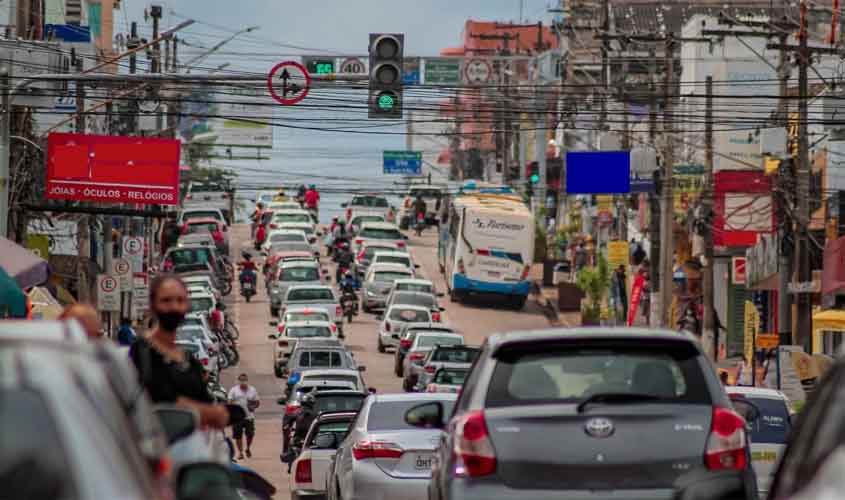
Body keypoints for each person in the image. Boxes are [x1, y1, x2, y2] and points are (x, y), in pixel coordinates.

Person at [129, 275, 229, 429]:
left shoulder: (189, 361)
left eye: (180, 300)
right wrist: (209, 413)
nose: (174, 307)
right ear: (153, 304)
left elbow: (206, 400)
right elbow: (160, 399)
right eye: (166, 300)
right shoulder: (142, 351)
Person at [228, 373, 260, 460]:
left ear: (247, 381)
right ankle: (240, 452)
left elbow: (257, 402)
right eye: (241, 380)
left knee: (250, 434)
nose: (243, 382)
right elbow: (230, 401)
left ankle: (248, 448)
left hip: (249, 417)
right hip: (237, 417)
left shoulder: (252, 390)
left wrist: (253, 406)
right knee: (238, 436)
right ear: (239, 381)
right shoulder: (234, 390)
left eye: (245, 380)